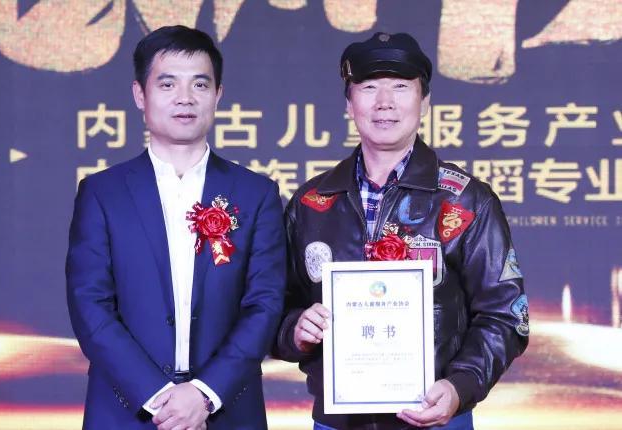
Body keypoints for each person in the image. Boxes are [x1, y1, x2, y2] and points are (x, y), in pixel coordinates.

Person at [273, 32, 529, 429]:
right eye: (369, 87)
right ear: (349, 103)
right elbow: (273, 307)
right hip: (339, 421)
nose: (384, 102)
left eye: (400, 87)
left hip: (436, 417)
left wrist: (459, 386)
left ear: (424, 102)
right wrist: (295, 330)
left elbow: (506, 314)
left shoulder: (465, 201)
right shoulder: (310, 203)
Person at [66, 25, 286, 430]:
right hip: (126, 410)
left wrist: (204, 394)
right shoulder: (102, 193)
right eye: (167, 84)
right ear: (140, 94)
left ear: (218, 95)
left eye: (200, 84)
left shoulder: (256, 194)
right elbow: (90, 306)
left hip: (226, 410)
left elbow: (265, 304)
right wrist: (158, 398)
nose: (185, 98)